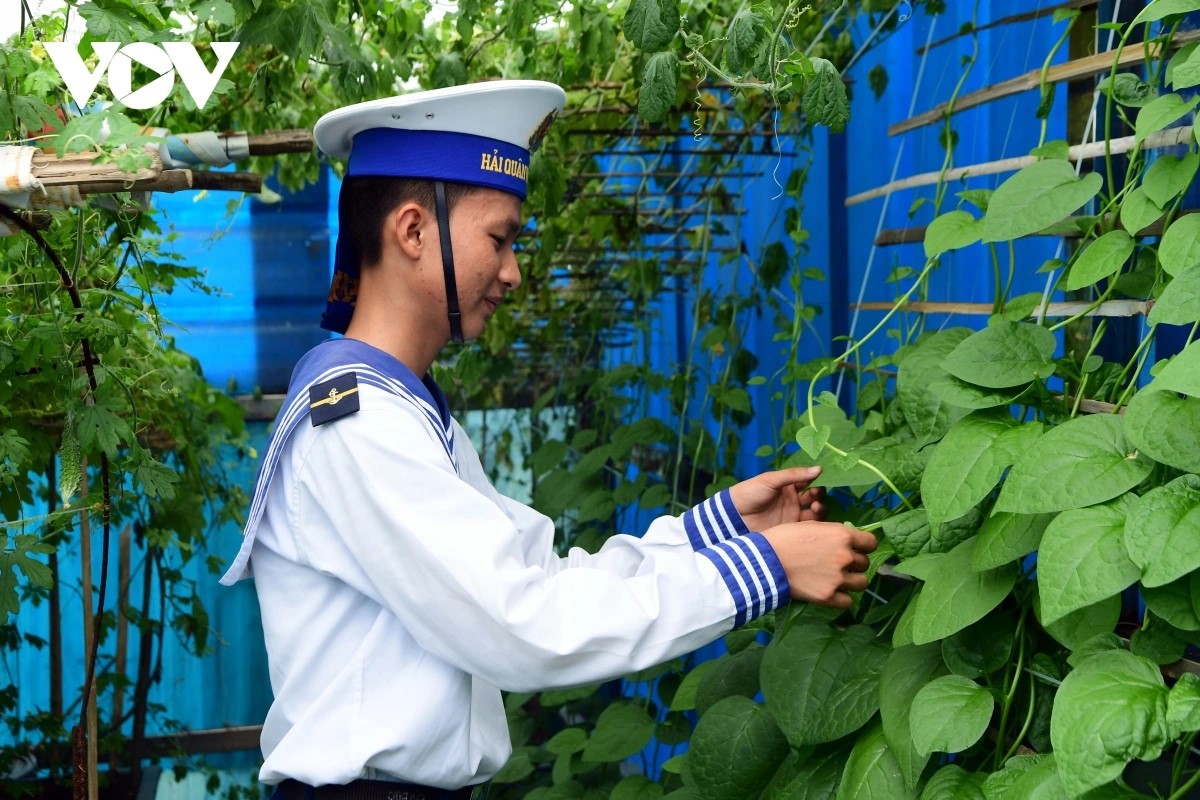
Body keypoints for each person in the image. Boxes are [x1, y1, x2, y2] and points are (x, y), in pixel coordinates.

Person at [220, 80, 876, 800]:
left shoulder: (403, 410)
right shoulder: (360, 424)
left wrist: (718, 532)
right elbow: (524, 627)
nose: (513, 272)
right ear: (412, 231)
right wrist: (764, 570)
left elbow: (541, 583)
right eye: (499, 239)